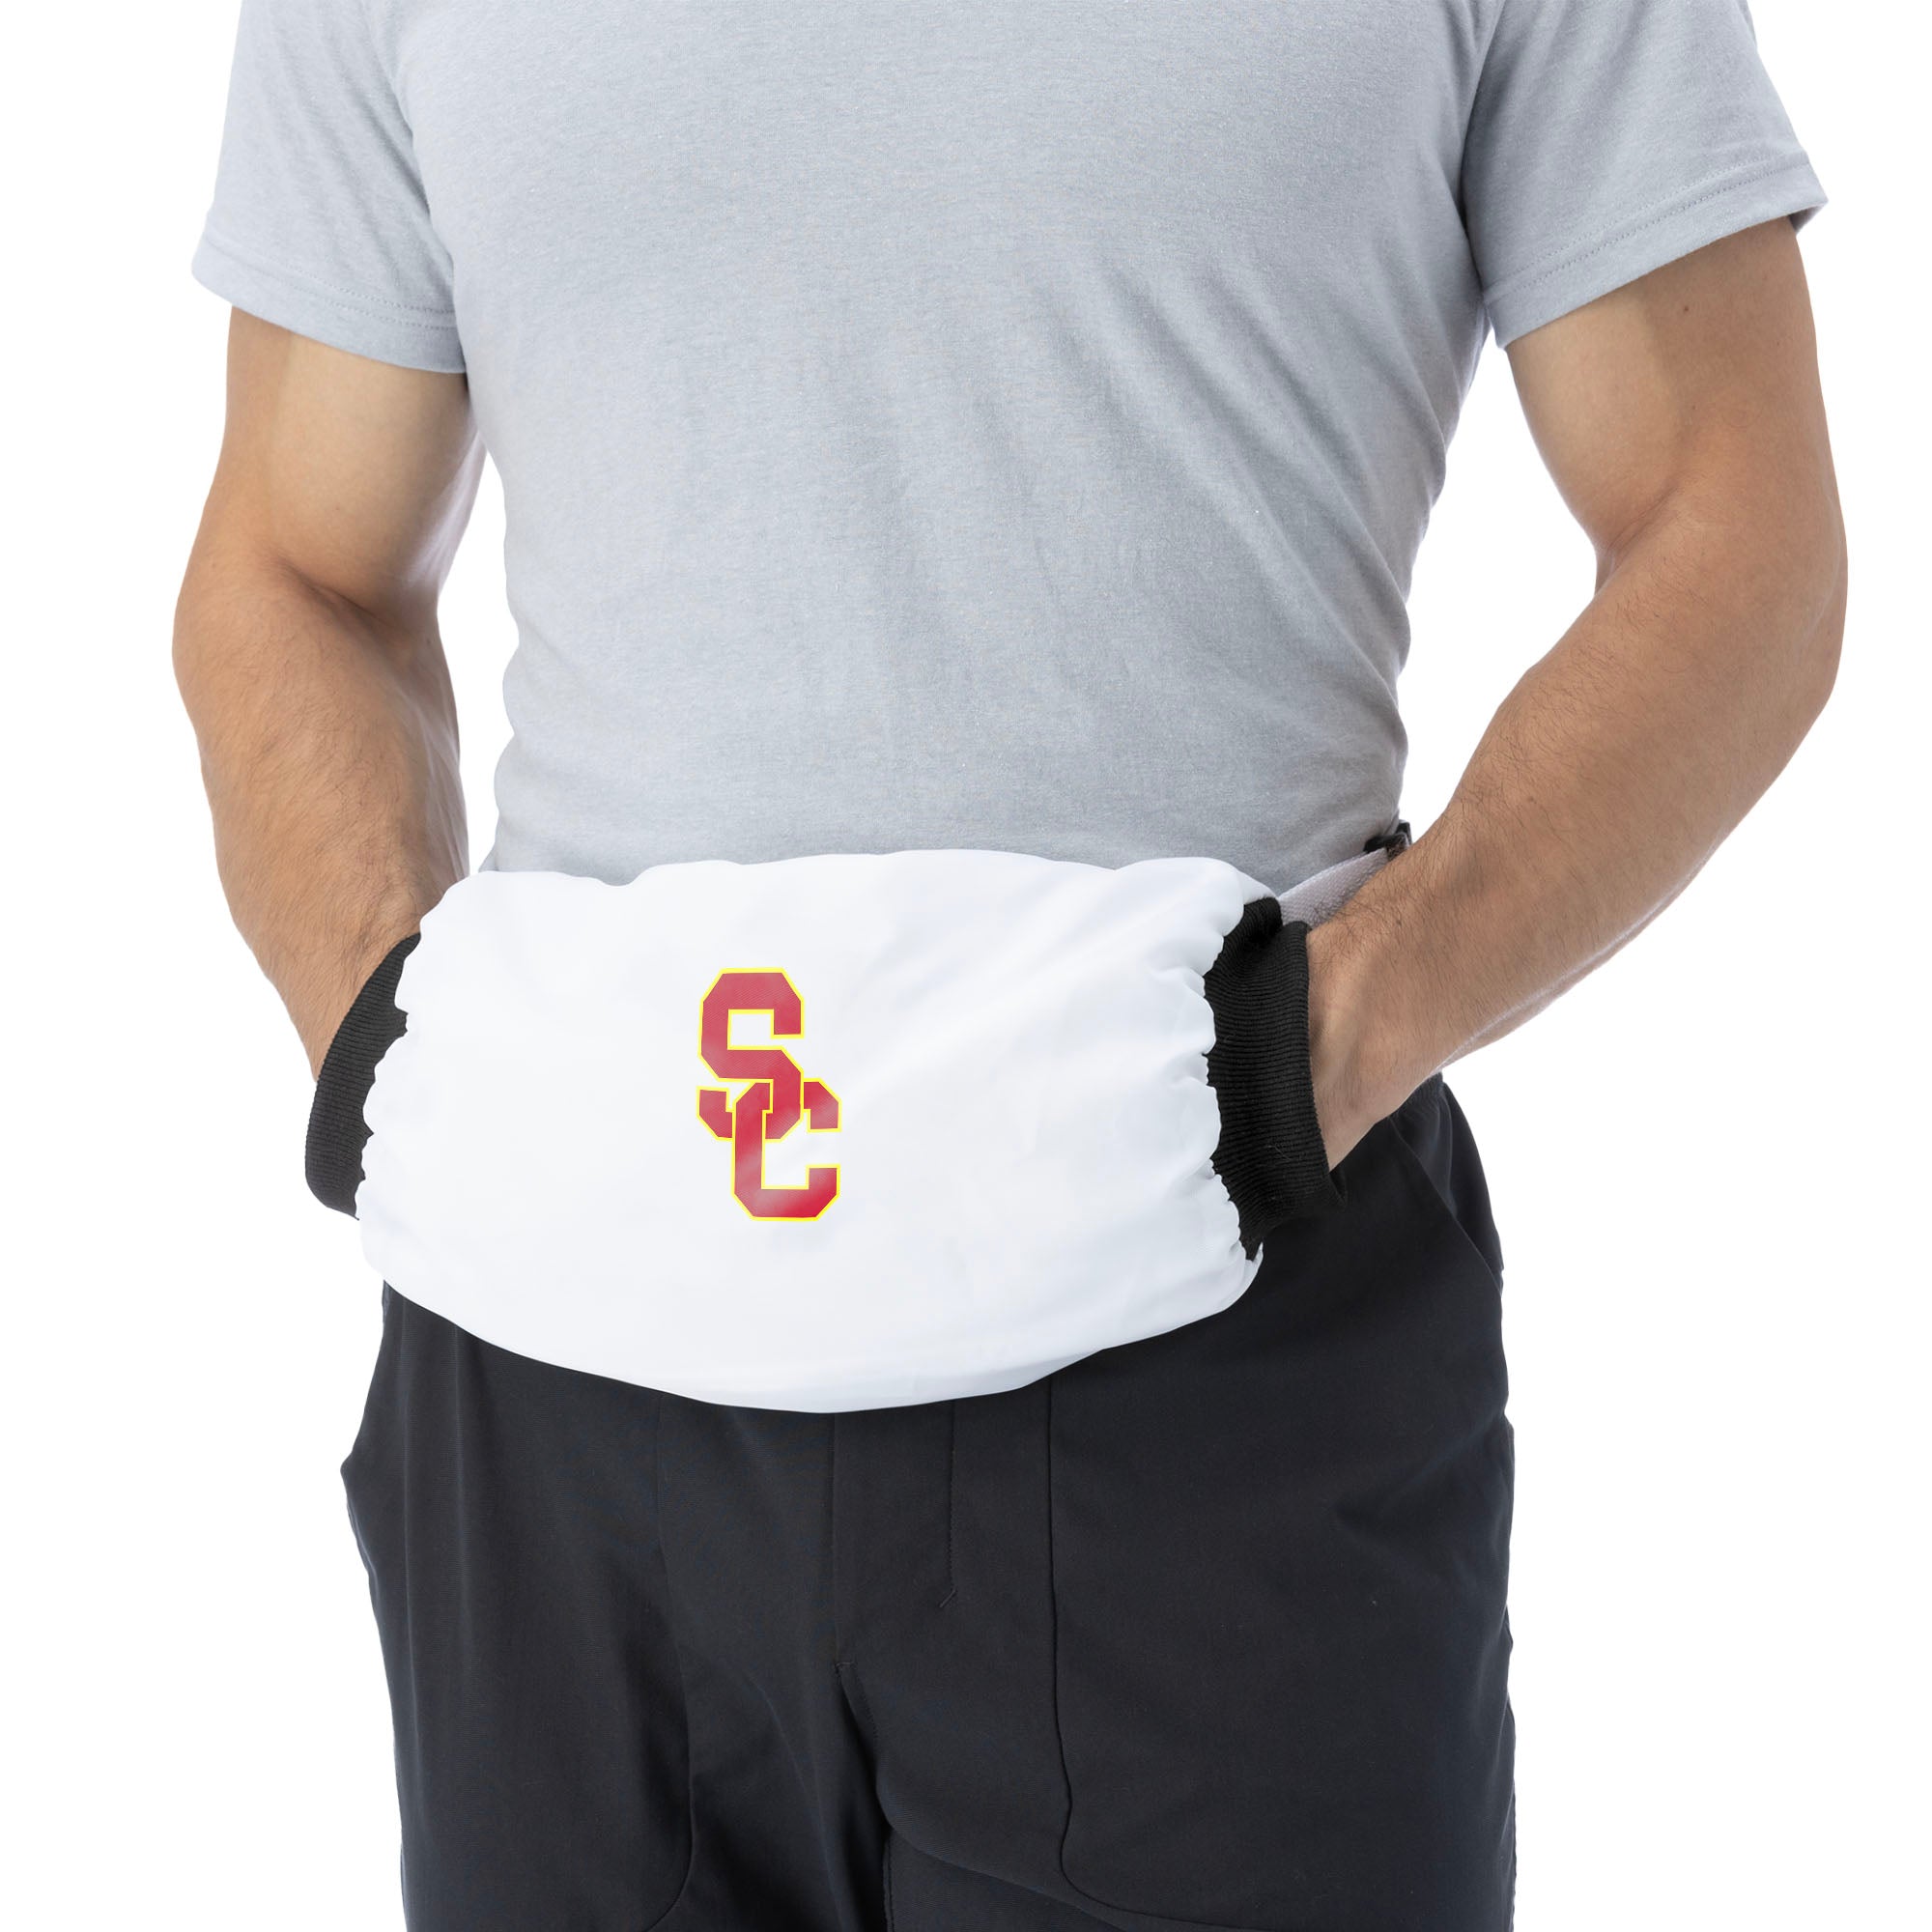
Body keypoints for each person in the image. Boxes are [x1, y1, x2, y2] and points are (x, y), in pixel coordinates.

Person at [175, 1, 1843, 1925]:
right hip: (559, 1363)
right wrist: (390, 1059)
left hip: (1208, 1314)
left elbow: (1740, 531)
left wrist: (1315, 1048)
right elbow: (294, 565)